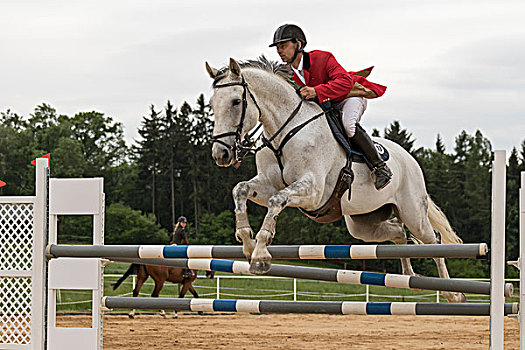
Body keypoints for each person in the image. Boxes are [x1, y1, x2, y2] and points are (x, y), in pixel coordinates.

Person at [269, 24, 392, 190]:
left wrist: (316, 90)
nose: (280, 51)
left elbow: (345, 82)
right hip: (325, 106)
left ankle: (380, 167)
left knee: (348, 125)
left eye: (283, 46)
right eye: (278, 48)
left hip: (349, 96)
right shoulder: (286, 74)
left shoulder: (323, 58)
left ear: (298, 45)